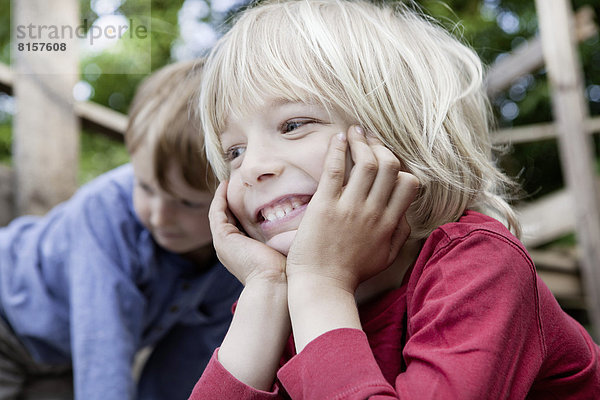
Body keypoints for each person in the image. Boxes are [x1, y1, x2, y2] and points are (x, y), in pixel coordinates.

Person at [189, 0, 600, 398]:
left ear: (397, 137)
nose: (252, 167)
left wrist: (321, 285)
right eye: (234, 151)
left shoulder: (480, 264)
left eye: (293, 124)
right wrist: (266, 291)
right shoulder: (283, 298)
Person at [0, 59, 242, 400]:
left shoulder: (233, 259)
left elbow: (185, 360)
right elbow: (103, 349)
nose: (160, 216)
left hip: (59, 357)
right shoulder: (105, 215)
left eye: (186, 203)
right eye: (144, 187)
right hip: (7, 320)